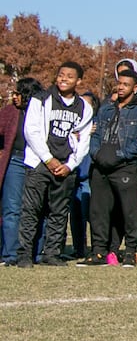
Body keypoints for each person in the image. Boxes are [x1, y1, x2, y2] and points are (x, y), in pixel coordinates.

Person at [15, 63, 96, 267]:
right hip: (40, 163)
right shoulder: (40, 99)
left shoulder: (84, 107)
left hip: (65, 166)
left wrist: (70, 164)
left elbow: (84, 139)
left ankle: (52, 254)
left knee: (59, 212)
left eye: (69, 76)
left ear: (78, 81)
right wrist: (48, 159)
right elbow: (31, 131)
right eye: (61, 75)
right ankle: (25, 254)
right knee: (31, 210)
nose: (63, 79)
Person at [80, 65, 137, 266]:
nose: (121, 87)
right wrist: (96, 154)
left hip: (125, 166)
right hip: (100, 166)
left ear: (135, 87)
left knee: (129, 211)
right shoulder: (105, 109)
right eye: (119, 83)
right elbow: (94, 134)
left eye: (126, 84)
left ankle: (131, 250)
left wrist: (119, 155)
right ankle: (98, 252)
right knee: (98, 211)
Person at [2, 78, 41, 265]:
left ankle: (35, 252)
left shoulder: (41, 112)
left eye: (18, 93)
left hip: (38, 162)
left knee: (36, 209)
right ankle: (10, 254)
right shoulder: (10, 112)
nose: (14, 97)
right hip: (15, 161)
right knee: (11, 209)